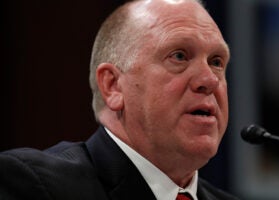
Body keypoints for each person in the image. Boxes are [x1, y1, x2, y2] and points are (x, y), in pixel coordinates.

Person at [0, 0, 238, 199]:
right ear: (112, 85)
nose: (209, 79)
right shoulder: (35, 186)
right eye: (179, 56)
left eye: (216, 62)